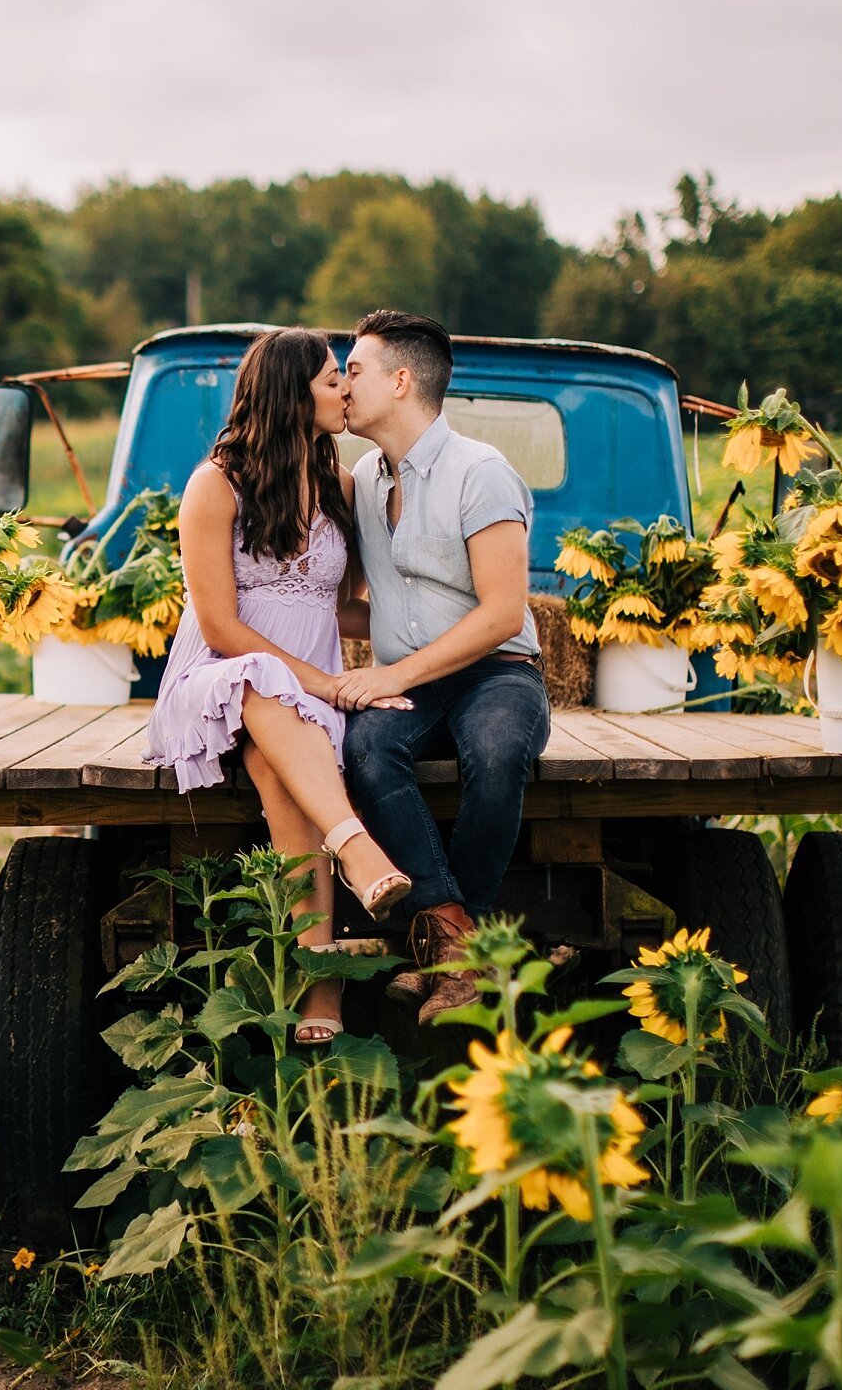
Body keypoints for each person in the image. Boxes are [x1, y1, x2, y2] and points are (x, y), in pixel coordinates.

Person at [146, 327, 414, 1046]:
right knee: (261, 679)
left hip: (295, 707)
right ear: (290, 395)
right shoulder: (215, 485)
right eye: (332, 380)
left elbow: (347, 603)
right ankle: (356, 850)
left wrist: (439, 630)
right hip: (217, 679)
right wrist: (328, 685)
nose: (345, 390)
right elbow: (220, 625)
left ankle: (317, 987)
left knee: (279, 768)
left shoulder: (342, 484)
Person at [331, 309, 553, 1025]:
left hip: (497, 671)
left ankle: (453, 944)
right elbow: (361, 606)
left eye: (354, 370)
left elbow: (500, 613)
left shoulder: (480, 472)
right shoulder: (364, 478)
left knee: (494, 751)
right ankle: (457, 948)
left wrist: (389, 677)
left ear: (401, 381)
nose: (341, 385)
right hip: (415, 682)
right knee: (366, 747)